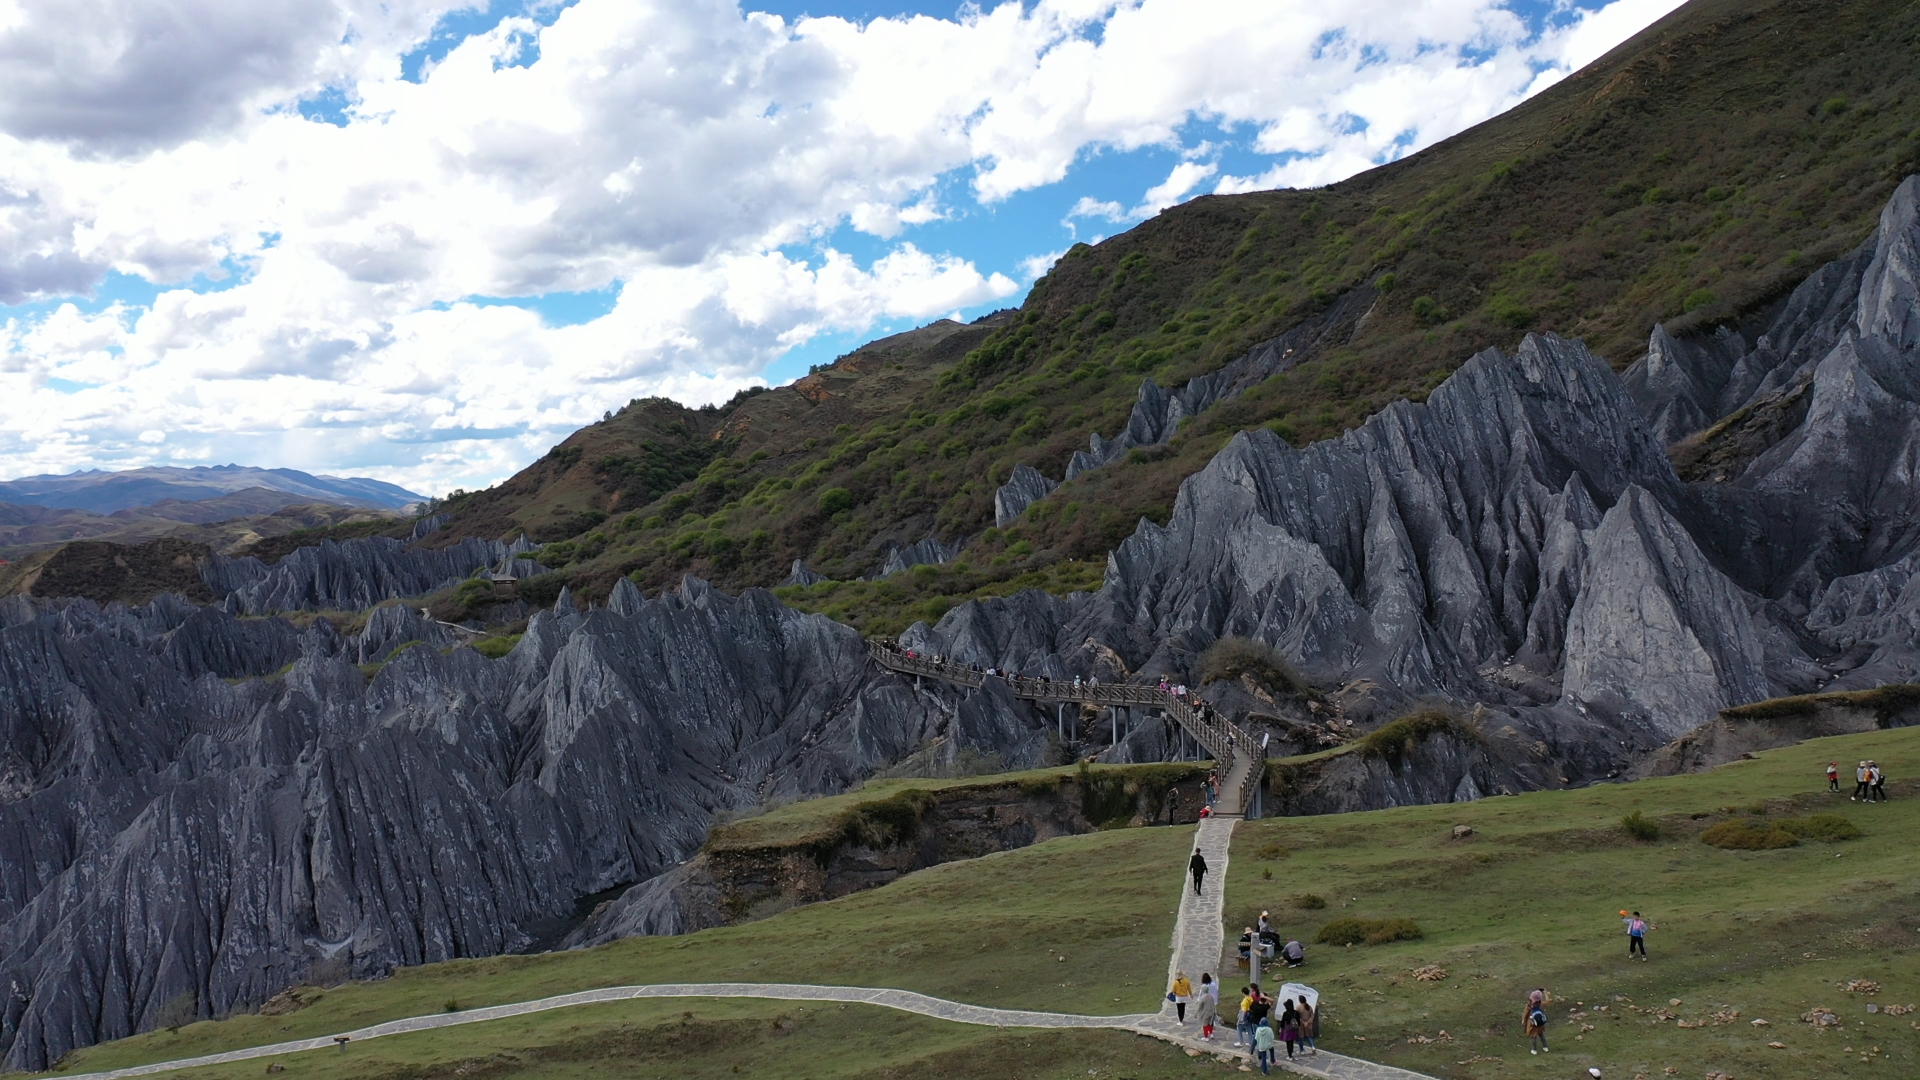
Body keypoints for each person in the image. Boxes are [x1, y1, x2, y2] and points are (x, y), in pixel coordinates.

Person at [1195, 973, 1218, 1040]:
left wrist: (1196, 1013)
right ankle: (1211, 1034)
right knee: (1210, 1023)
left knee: (1205, 1024)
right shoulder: (1211, 996)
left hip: (1206, 1012)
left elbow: (1199, 1006)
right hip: (1212, 1010)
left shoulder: (1203, 997)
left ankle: (1206, 1037)